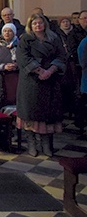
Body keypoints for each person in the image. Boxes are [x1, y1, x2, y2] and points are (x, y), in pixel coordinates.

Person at [16, 13, 66, 157]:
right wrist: (39, 70)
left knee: (49, 114)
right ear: (30, 26)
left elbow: (61, 56)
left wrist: (50, 70)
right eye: (34, 24)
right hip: (31, 81)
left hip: (50, 80)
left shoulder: (54, 38)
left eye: (40, 23)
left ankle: (47, 144)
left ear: (45, 24)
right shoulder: (25, 39)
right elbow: (23, 58)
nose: (38, 26)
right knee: (30, 112)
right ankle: (32, 144)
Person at [0, 23, 19, 107]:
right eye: (5, 31)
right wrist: (3, 66)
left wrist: (16, 65)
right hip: (0, 75)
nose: (7, 33)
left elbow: (25, 59)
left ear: (14, 33)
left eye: (9, 31)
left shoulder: (20, 44)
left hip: (16, 74)